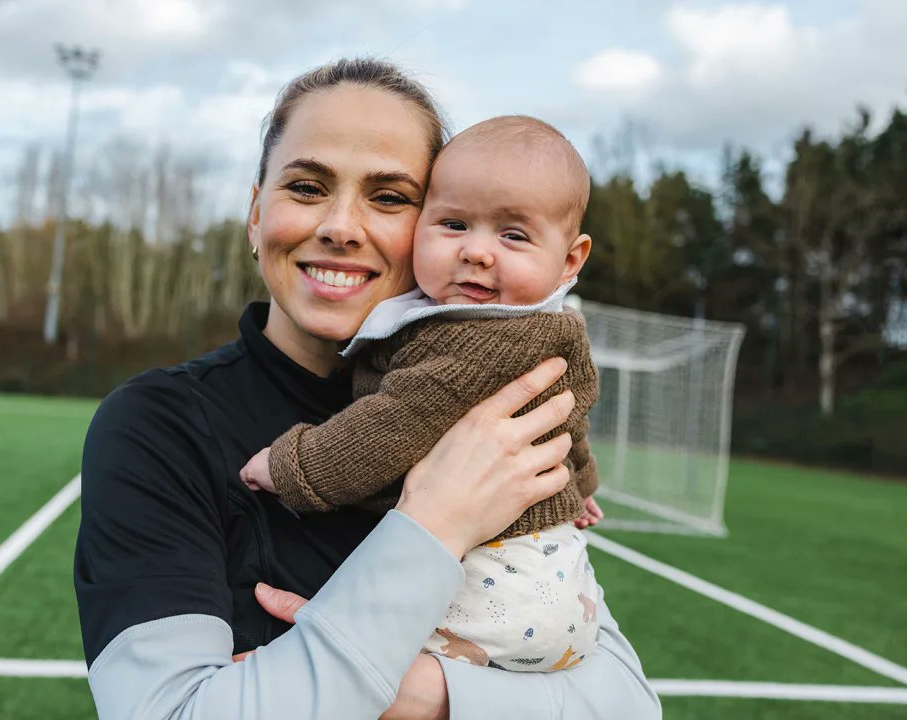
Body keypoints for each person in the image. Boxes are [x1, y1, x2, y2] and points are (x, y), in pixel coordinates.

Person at [74, 58, 661, 719]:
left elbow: (628, 706)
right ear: (254, 214)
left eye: (389, 198)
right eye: (305, 186)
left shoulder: (494, 404)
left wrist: (435, 696)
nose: (342, 227)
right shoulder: (159, 425)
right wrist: (436, 522)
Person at [240, 115, 606, 673]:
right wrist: (582, 484)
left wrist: (292, 467)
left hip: (508, 582)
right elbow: (570, 420)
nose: (477, 252)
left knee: (345, 659)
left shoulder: (486, 338)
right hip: (558, 587)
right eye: (454, 224)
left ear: (571, 260)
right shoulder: (532, 329)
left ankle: (351, 656)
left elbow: (393, 423)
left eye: (512, 235)